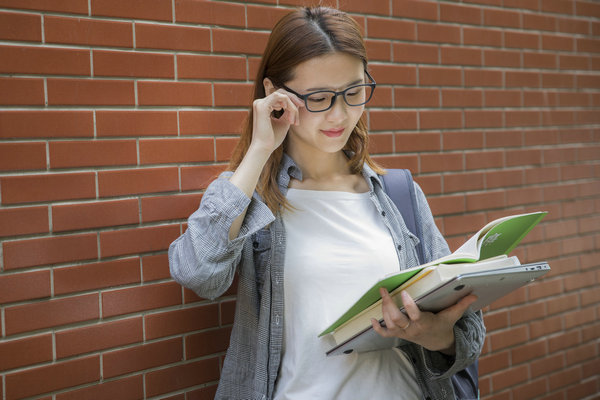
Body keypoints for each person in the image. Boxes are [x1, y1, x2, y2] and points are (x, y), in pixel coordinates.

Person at [169, 6, 485, 400]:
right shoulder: (248, 198)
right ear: (274, 94)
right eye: (319, 98)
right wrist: (259, 149)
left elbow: (469, 334)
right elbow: (198, 274)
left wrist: (440, 338)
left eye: (354, 93)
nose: (340, 114)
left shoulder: (398, 194)